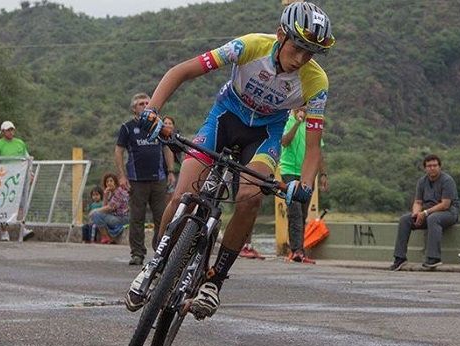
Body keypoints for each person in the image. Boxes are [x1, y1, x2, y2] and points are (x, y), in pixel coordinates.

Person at [127, 2, 335, 318]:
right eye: (298, 48)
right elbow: (180, 72)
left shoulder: (316, 83)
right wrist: (151, 110)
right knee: (184, 193)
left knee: (250, 196)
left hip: (265, 133)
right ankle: (155, 265)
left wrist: (304, 185)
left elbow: (313, 145)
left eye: (311, 53)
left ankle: (214, 281)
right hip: (224, 118)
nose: (302, 59)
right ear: (281, 35)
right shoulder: (249, 46)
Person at [114, 93, 176, 266]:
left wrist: (171, 171)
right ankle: (137, 254)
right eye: (141, 103)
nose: (145, 105)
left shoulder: (159, 126)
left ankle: (161, 253)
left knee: (162, 217)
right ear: (134, 108)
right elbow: (118, 151)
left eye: (148, 103)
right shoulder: (127, 128)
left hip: (159, 179)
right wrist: (121, 176)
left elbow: (167, 149)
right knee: (137, 218)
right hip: (136, 180)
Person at [391, 154, 460, 271]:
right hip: (428, 212)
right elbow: (418, 201)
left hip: (449, 212)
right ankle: (400, 257)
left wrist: (425, 213)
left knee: (433, 218)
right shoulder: (422, 181)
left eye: (435, 165)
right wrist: (416, 214)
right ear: (425, 168)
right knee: (405, 219)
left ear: (440, 167)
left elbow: (445, 204)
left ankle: (434, 257)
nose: (432, 168)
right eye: (429, 166)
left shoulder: (447, 180)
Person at [279, 106, 329, 264]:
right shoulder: (287, 120)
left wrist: (323, 174)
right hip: (289, 171)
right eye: (301, 104)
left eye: (306, 105)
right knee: (294, 212)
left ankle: (298, 250)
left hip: (308, 173)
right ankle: (296, 251)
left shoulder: (312, 124)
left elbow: (317, 152)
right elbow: (285, 142)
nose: (304, 108)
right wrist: (297, 123)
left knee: (303, 212)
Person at [0, 120, 33, 241]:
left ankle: (22, 229)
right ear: (3, 131)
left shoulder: (20, 143)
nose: (10, 132)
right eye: (8, 130)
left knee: (21, 205)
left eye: (12, 129)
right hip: (5, 179)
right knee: (4, 205)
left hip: (19, 178)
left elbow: (27, 158)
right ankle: (4, 232)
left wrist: (30, 173)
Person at [90, 173, 130, 245]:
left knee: (96, 214)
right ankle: (107, 237)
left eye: (111, 181)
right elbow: (105, 207)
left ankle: (107, 237)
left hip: (122, 218)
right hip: (115, 217)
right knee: (97, 215)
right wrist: (105, 195)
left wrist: (95, 210)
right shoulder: (111, 193)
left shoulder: (119, 191)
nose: (109, 183)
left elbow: (110, 208)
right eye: (107, 182)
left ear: (115, 182)